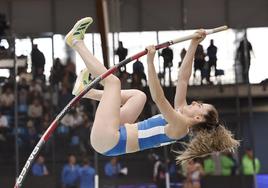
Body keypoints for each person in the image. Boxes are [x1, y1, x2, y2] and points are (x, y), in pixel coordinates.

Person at [66, 17, 239, 163]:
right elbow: (183, 78)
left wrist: (150, 62)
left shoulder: (180, 126)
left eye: (200, 105)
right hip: (116, 133)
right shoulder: (180, 110)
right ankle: (87, 91)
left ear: (198, 117)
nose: (195, 102)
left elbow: (159, 98)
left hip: (109, 140)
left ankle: (76, 42)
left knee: (113, 83)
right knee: (138, 96)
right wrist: (194, 44)